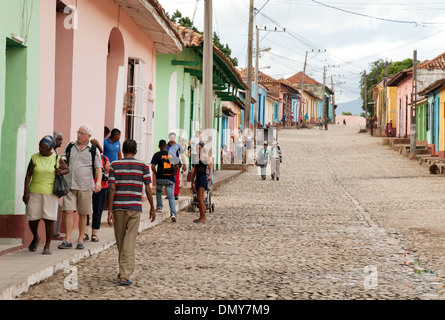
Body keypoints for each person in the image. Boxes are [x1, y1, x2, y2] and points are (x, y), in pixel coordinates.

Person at [107, 139, 155, 286]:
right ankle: (125, 274)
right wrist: (152, 207)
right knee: (129, 240)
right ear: (135, 151)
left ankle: (124, 270)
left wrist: (109, 209)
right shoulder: (143, 166)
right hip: (134, 207)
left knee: (121, 240)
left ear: (123, 149)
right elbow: (147, 188)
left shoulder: (114, 165)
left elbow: (112, 188)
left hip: (118, 207)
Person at [58, 125, 103, 250]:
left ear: (89, 136)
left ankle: (80, 239)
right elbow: (64, 159)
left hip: (85, 186)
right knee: (68, 211)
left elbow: (98, 168)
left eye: (82, 133)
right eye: (78, 132)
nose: (79, 135)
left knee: (83, 213)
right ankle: (67, 239)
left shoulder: (93, 150)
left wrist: (98, 182)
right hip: (69, 185)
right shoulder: (70, 146)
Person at [23, 135, 69, 255]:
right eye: (39, 146)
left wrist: (60, 171)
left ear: (50, 148)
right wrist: (25, 192)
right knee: (33, 219)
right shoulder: (34, 158)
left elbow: (67, 170)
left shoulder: (56, 158)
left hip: (50, 193)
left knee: (49, 220)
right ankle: (36, 237)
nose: (40, 149)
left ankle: (47, 246)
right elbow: (28, 175)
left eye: (42, 147)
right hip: (34, 192)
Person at [85, 139, 110, 242]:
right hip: (101, 187)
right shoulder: (104, 158)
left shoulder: (88, 157)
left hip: (89, 186)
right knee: (97, 210)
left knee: (86, 210)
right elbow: (108, 171)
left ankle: (85, 232)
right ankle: (94, 234)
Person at [151, 139, 178, 222]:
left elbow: (152, 166)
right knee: (171, 197)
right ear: (166, 146)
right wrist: (174, 174)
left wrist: (156, 174)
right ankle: (173, 213)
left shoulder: (156, 155)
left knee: (159, 191)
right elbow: (177, 166)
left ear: (159, 146)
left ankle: (159, 207)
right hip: (169, 178)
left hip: (160, 178)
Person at [191, 142, 212, 224]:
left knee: (200, 198)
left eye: (199, 149)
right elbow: (194, 171)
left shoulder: (205, 158)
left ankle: (203, 218)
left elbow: (210, 166)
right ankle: (200, 217)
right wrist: (192, 182)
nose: (197, 150)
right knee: (199, 199)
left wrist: (209, 176)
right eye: (196, 149)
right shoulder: (196, 158)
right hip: (198, 178)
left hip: (203, 178)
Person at [52, 131, 64, 241]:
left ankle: (55, 232)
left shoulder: (55, 152)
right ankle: (54, 233)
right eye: (59, 140)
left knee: (58, 208)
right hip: (49, 185)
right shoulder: (50, 152)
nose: (61, 142)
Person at [167, 132, 186, 200]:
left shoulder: (178, 146)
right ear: (169, 138)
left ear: (175, 138)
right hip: (168, 165)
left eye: (174, 137)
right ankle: (169, 194)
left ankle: (176, 194)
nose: (172, 138)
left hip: (176, 165)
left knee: (176, 179)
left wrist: (184, 164)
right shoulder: (166, 146)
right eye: (171, 137)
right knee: (168, 179)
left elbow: (182, 155)